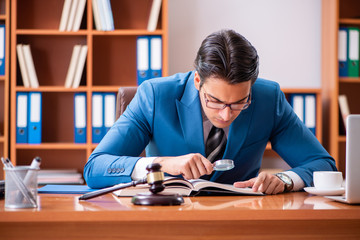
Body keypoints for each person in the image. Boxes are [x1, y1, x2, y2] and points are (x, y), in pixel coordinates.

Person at [84, 29, 337, 194]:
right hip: (167, 218)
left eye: (239, 102)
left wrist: (286, 178)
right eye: (215, 101)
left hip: (241, 220)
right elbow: (95, 168)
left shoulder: (268, 98)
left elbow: (323, 165)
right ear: (197, 81)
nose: (226, 115)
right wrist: (162, 164)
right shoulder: (155, 96)